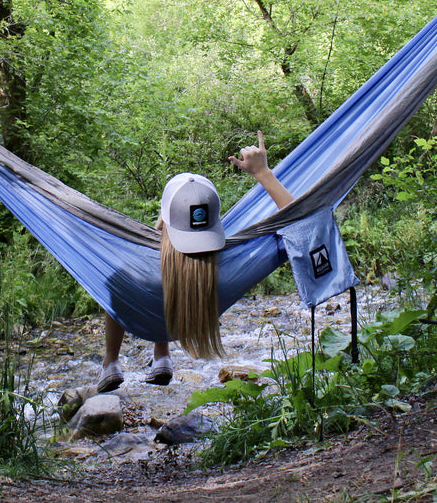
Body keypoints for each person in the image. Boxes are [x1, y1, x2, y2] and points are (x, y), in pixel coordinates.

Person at [97, 132, 293, 393]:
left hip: (147, 303)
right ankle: (162, 354)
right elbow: (300, 222)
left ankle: (111, 361)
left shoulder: (133, 275)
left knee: (122, 277)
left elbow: (110, 281)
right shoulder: (235, 270)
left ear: (164, 221)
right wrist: (263, 173)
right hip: (188, 319)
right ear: (217, 222)